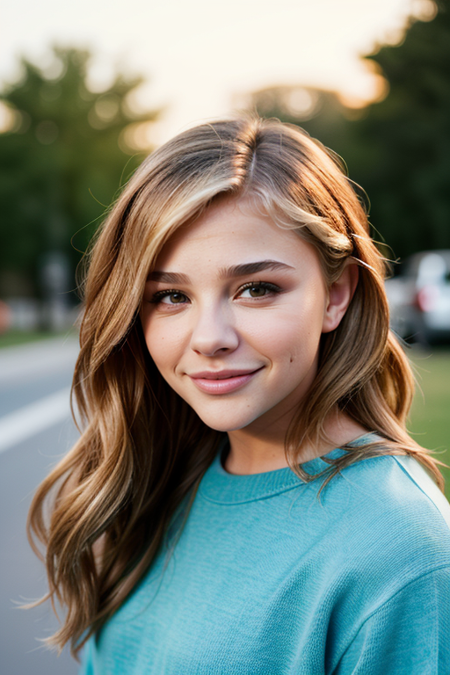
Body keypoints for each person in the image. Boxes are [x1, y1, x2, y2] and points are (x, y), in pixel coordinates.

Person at [28, 116, 450, 674]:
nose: (209, 339)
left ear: (336, 296)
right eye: (171, 296)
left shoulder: (401, 555)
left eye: (257, 289)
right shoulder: (164, 479)